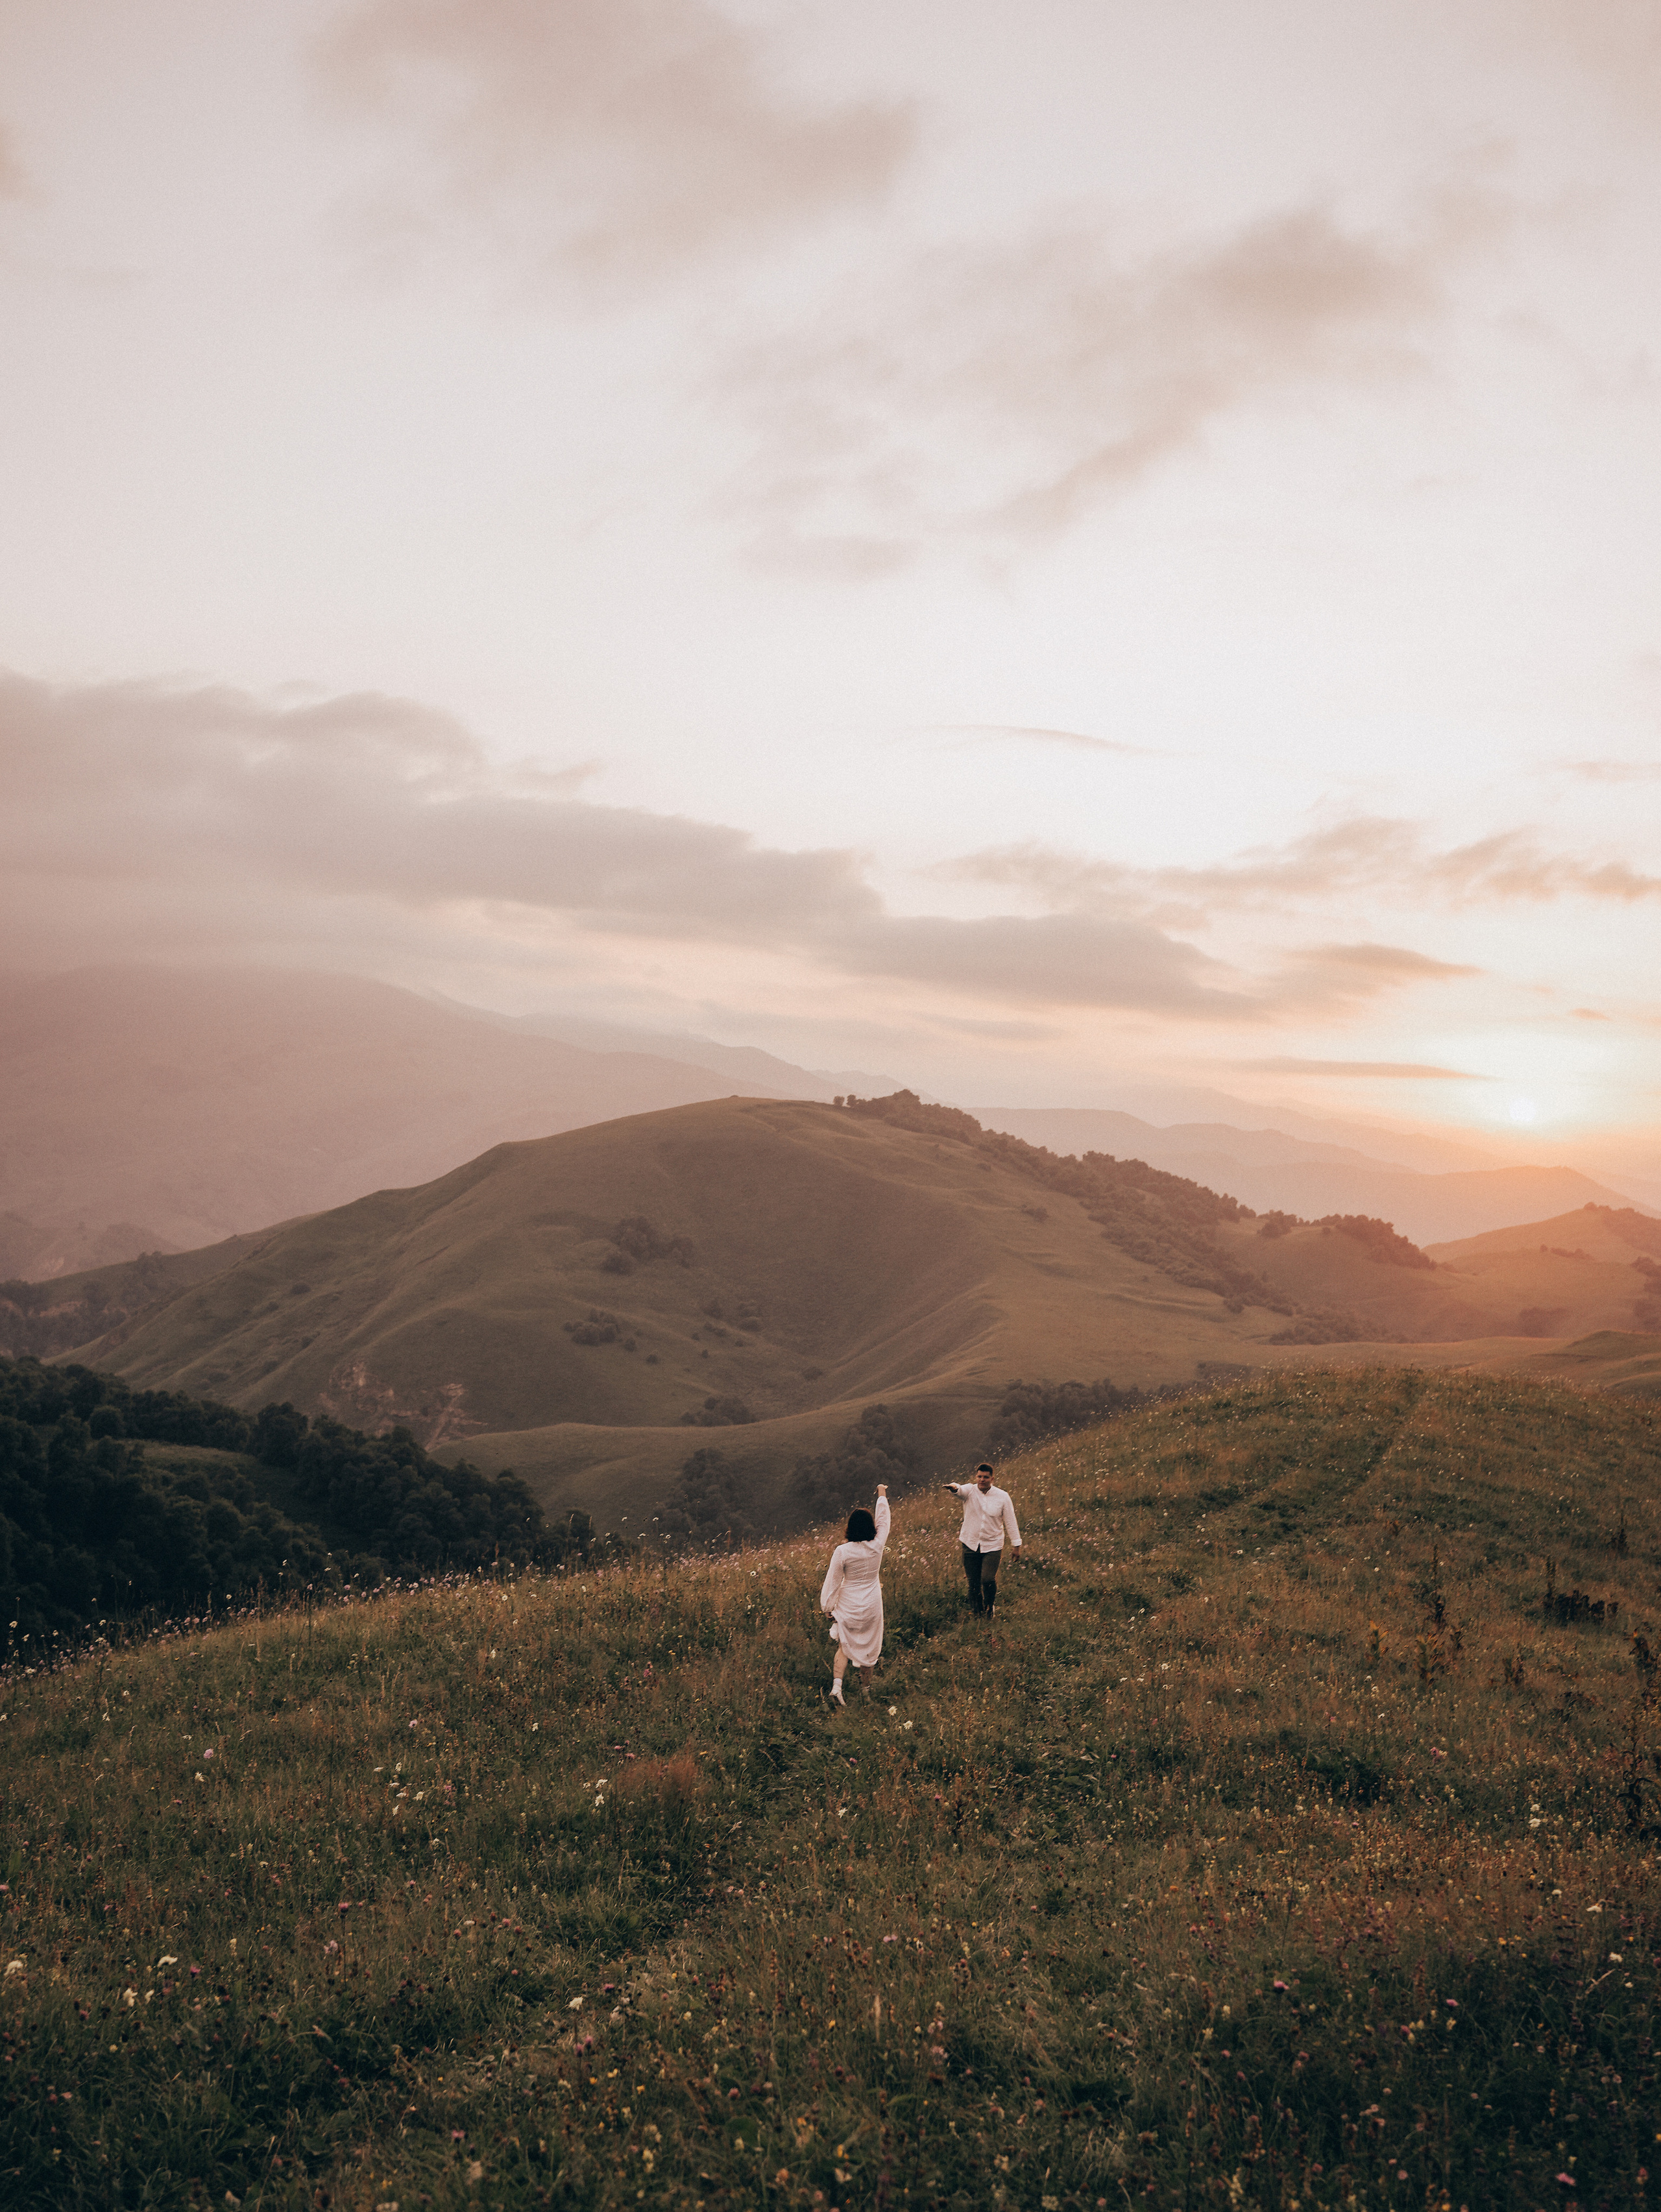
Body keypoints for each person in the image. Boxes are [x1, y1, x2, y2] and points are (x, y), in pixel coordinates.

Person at [819, 1483, 891, 1705]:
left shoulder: (842, 1552)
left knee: (844, 1646)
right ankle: (866, 1694)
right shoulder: (877, 1545)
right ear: (871, 1527)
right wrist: (881, 1493)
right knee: (869, 1650)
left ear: (850, 1527)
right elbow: (884, 1519)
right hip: (871, 1604)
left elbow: (833, 1581)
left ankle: (837, 1689)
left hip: (848, 1604)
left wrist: (828, 1608)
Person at [944, 1461, 1021, 1620]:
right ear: (976, 1477)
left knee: (987, 1579)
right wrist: (954, 1488)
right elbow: (960, 1490)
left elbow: (1010, 1521)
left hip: (993, 1545)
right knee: (973, 1584)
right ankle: (979, 1615)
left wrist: (1016, 1545)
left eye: (986, 1477)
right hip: (970, 1544)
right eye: (979, 1476)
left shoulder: (1003, 1497)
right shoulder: (970, 1491)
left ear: (992, 1478)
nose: (982, 1480)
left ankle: (989, 1606)